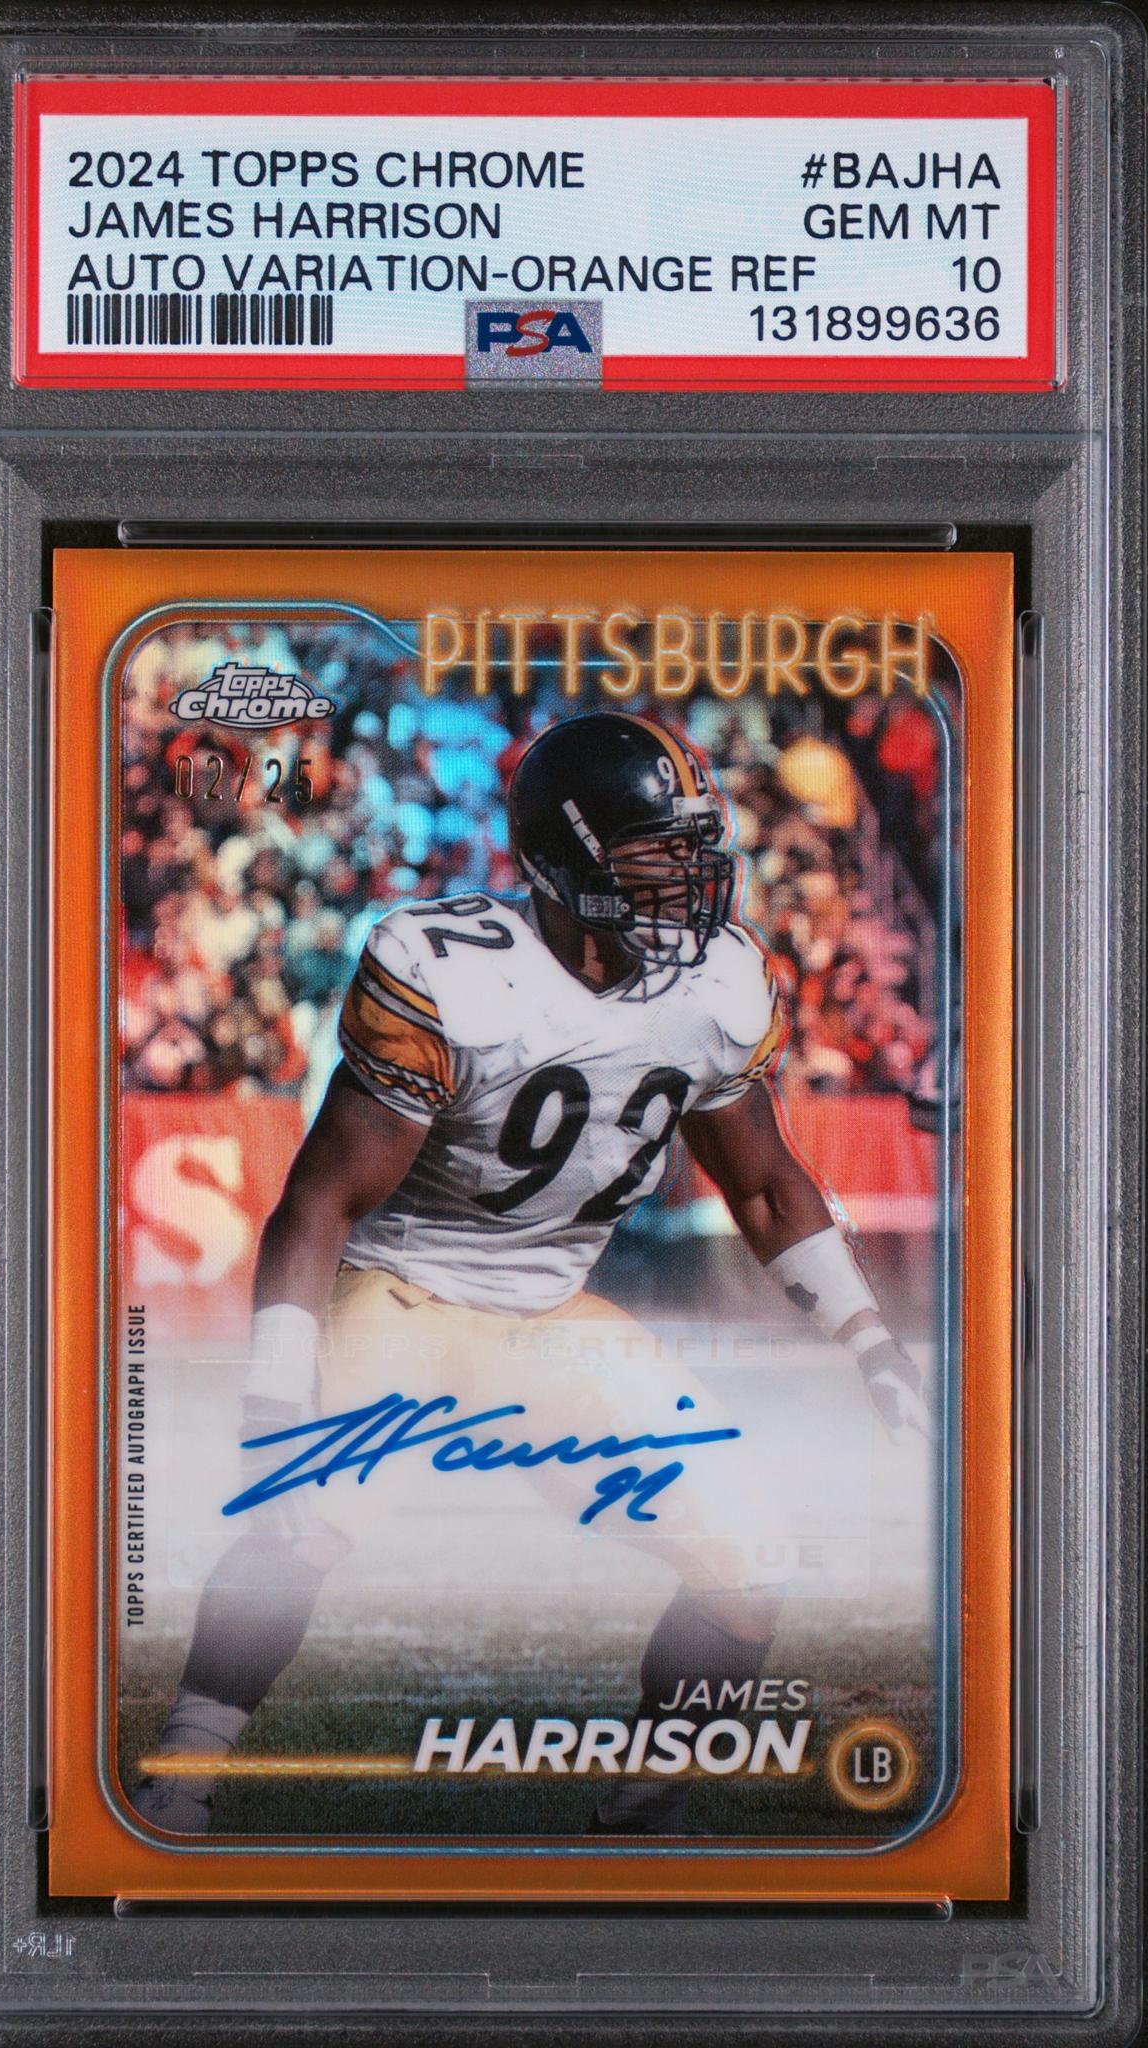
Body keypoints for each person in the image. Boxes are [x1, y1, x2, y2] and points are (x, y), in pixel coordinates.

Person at [132, 711, 928, 1837]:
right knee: (303, 1519)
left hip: (550, 1310)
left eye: (693, 845)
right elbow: (321, 1199)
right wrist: (275, 1393)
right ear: (565, 857)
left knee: (747, 1559)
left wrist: (868, 1340)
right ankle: (182, 1770)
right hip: (404, 1290)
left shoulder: (716, 981)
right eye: (655, 850)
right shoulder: (452, 971)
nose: (689, 875)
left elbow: (762, 1186)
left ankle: (647, 1803)